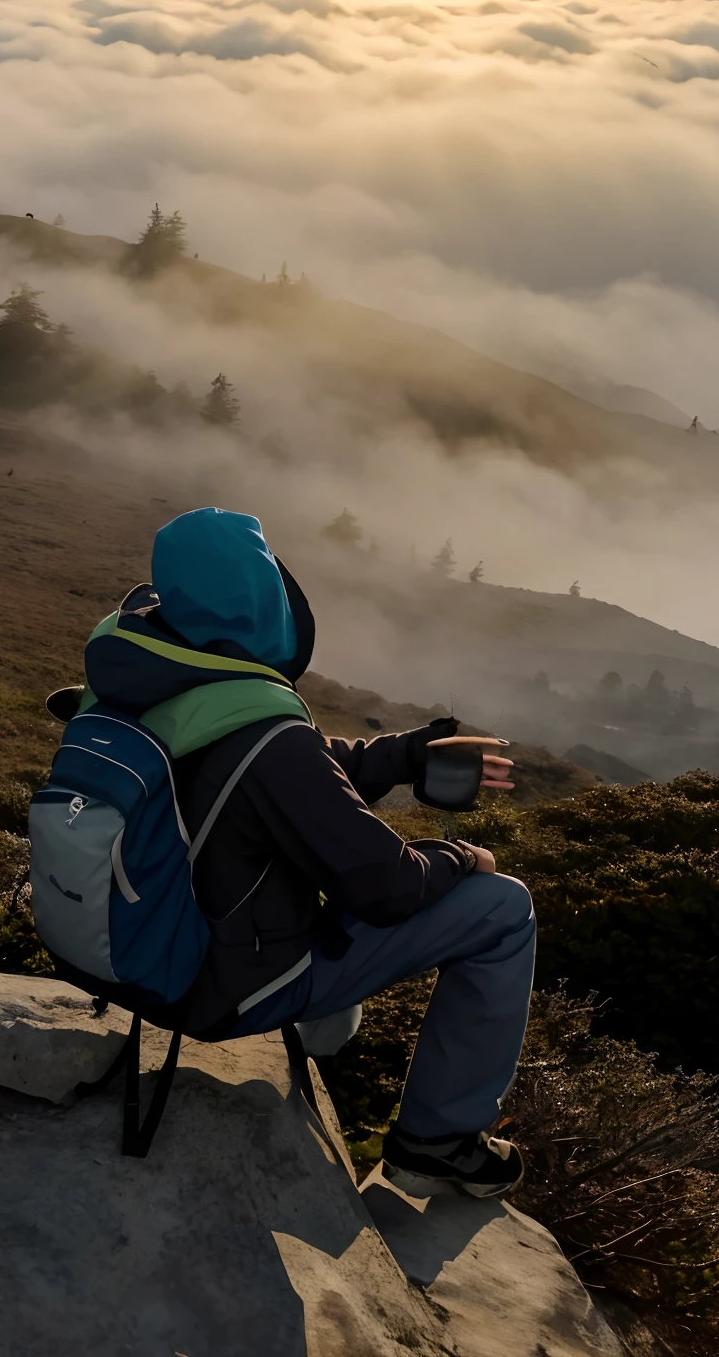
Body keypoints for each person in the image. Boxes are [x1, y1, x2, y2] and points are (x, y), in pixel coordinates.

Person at [77, 506, 534, 1197]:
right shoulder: (266, 736)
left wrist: (404, 756)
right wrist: (464, 859)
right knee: (501, 908)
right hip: (217, 990)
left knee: (329, 884)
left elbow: (272, 773)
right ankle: (438, 1142)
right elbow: (386, 887)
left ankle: (329, 1039)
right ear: (268, 599)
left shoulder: (140, 674)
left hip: (125, 958)